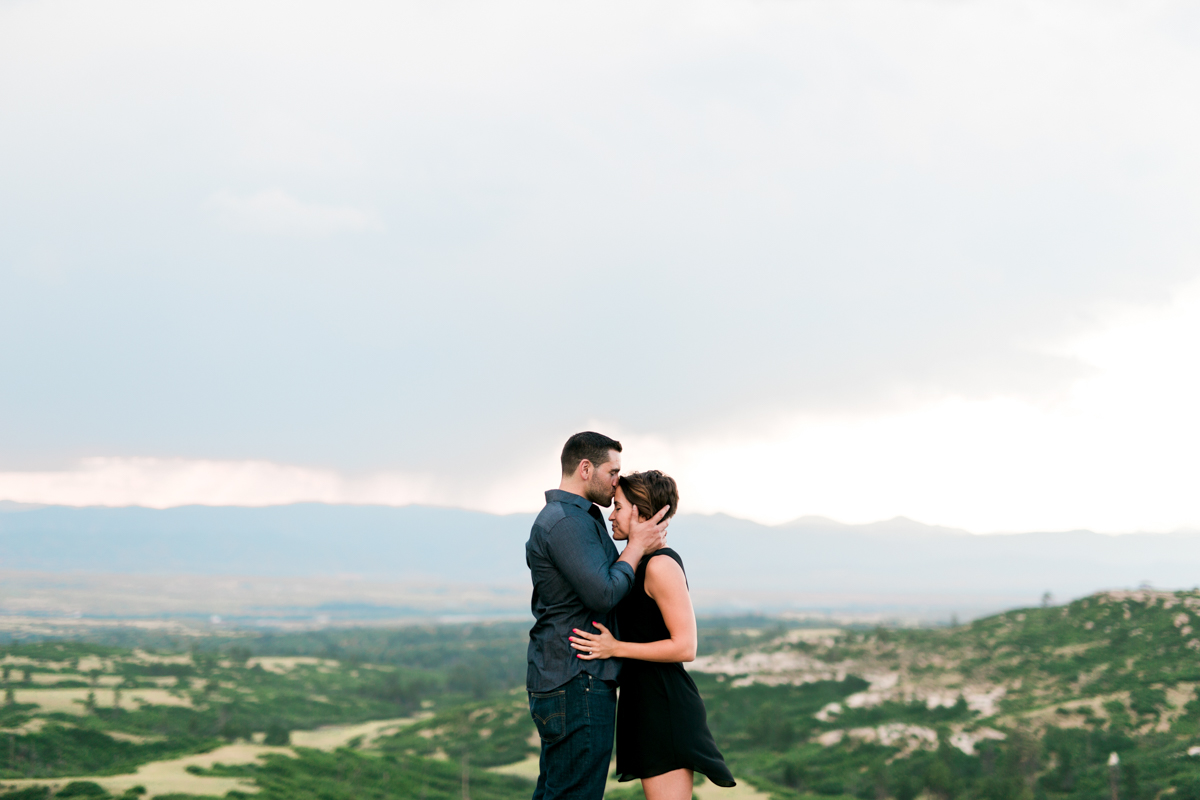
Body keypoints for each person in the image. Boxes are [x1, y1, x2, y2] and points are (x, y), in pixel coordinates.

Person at [568, 470, 735, 800]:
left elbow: (685, 646)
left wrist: (615, 647)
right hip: (643, 702)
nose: (611, 515)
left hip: (663, 703)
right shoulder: (636, 562)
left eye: (617, 507)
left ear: (641, 513)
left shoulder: (660, 566)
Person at [526, 432, 672, 800]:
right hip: (579, 679)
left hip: (569, 677)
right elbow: (603, 593)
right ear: (586, 468)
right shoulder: (566, 523)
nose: (617, 481)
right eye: (613, 471)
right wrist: (637, 547)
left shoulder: (578, 518)